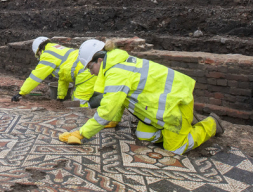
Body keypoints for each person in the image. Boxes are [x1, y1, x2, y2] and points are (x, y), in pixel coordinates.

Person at [59, 39, 224, 154]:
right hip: (161, 107)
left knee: (175, 149)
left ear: (99, 60)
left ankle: (211, 124)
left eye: (89, 67)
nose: (90, 72)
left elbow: (107, 110)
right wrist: (114, 121)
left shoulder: (116, 72)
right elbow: (120, 99)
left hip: (176, 103)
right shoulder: (117, 64)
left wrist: (82, 133)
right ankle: (179, 126)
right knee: (144, 135)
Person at [11, 37, 100, 111]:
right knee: (89, 93)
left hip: (86, 71)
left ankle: (104, 102)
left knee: (77, 106)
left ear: (38, 51)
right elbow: (63, 77)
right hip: (92, 67)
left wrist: (21, 93)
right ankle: (103, 98)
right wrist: (60, 97)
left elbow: (36, 76)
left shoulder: (47, 55)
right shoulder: (57, 49)